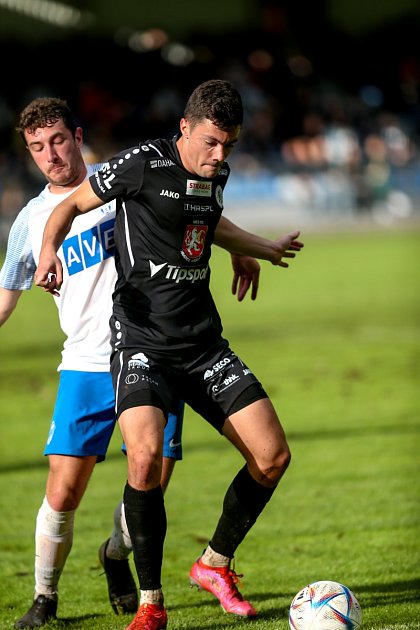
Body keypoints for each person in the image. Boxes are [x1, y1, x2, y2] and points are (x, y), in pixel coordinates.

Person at [35, 79, 304, 630]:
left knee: (273, 456)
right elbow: (67, 209)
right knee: (145, 459)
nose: (219, 155)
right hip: (142, 342)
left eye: (228, 144)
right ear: (185, 128)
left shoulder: (215, 171)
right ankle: (151, 603)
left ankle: (214, 563)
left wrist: (251, 251)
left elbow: (201, 222)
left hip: (202, 342)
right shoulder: (140, 165)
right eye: (210, 142)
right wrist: (48, 252)